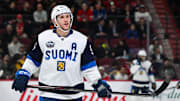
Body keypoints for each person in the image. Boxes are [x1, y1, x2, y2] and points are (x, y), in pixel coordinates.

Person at [12, 5, 112, 101]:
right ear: (54, 20)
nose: (66, 20)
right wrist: (24, 73)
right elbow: (33, 61)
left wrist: (97, 83)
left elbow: (88, 66)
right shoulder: (43, 37)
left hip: (73, 95)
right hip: (48, 94)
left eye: (68, 16)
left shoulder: (82, 40)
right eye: (62, 17)